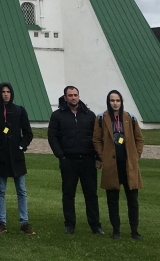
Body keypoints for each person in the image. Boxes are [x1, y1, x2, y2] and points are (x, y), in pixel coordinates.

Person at [48, 86, 103, 235]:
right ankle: (70, 224)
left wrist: (98, 157)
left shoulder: (89, 115)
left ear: (79, 96)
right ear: (65, 98)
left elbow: (97, 137)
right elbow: (52, 137)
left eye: (75, 95)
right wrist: (61, 156)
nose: (73, 98)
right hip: (68, 160)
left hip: (88, 160)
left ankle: (95, 225)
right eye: (70, 95)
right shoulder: (58, 116)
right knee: (68, 194)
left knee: (91, 194)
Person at [93, 90, 144, 240]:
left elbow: (139, 139)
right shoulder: (102, 118)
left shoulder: (130, 118)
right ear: (108, 102)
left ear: (121, 102)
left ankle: (134, 230)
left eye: (117, 100)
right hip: (111, 166)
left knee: (132, 200)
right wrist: (103, 157)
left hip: (128, 165)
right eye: (112, 100)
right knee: (112, 200)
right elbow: (96, 139)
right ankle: (116, 229)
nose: (115, 103)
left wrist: (136, 156)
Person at [0, 82, 35, 235]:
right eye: (3, 92)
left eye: (8, 91)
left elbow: (28, 133)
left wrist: (21, 145)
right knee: (0, 190)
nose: (6, 94)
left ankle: (24, 222)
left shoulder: (20, 110)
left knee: (21, 190)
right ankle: (2, 222)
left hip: (17, 155)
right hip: (1, 156)